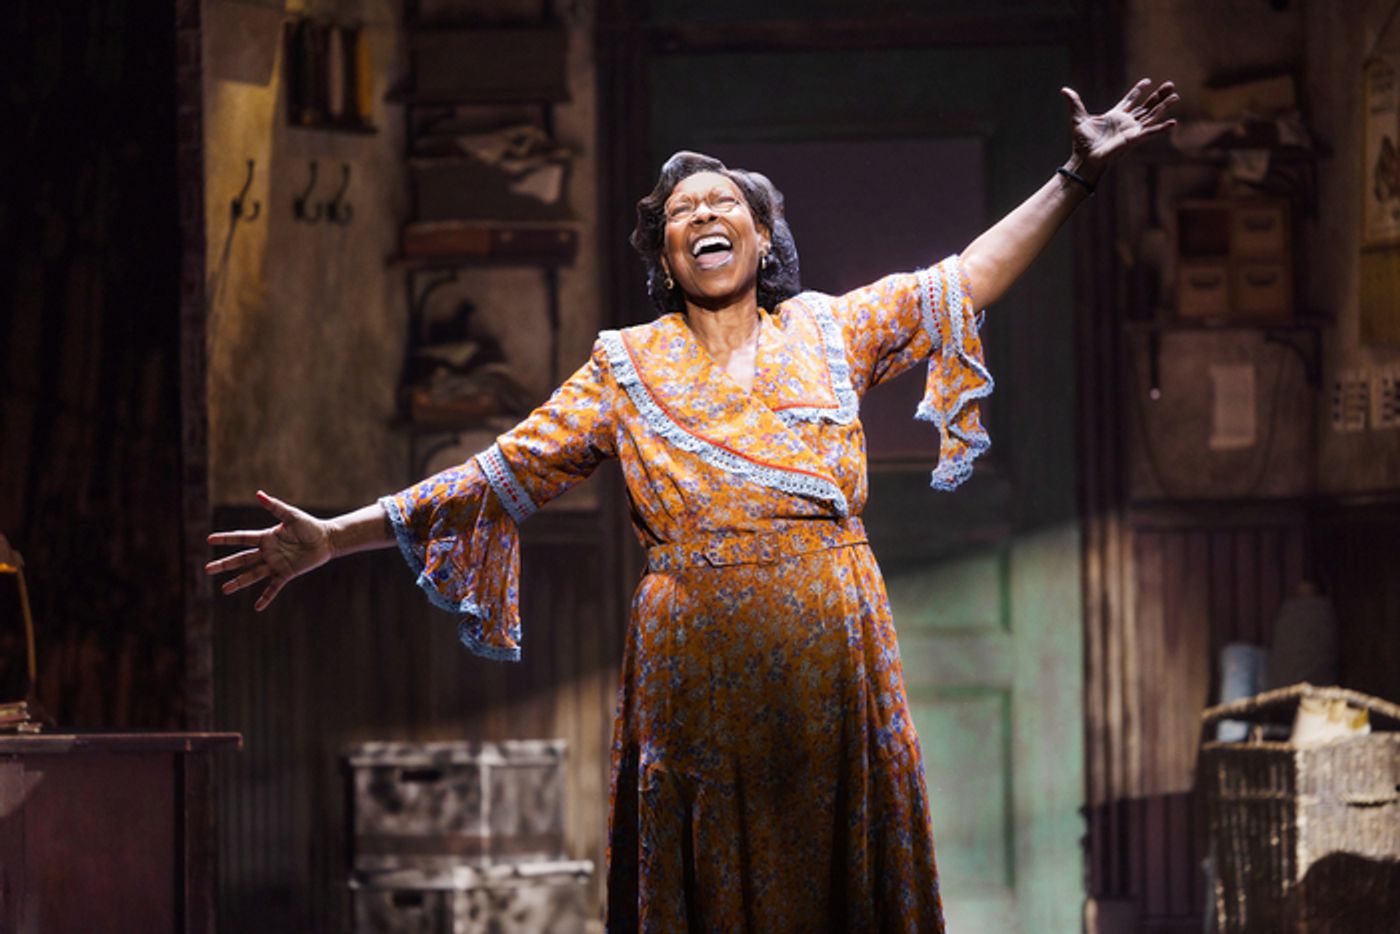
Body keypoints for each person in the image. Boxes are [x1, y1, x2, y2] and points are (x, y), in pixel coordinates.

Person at [208, 79, 1177, 931]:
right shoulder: (623, 367)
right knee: (707, 871)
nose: (705, 215)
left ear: (762, 237)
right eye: (683, 210)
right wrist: (336, 536)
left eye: (725, 204)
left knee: (842, 866)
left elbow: (962, 280)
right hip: (692, 665)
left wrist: (1074, 177)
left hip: (835, 652)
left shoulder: (830, 329)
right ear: (664, 253)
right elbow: (494, 475)